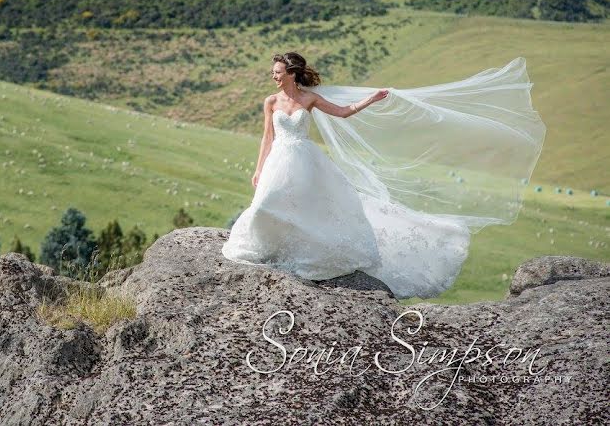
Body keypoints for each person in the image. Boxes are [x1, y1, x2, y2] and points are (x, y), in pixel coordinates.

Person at [221, 52, 546, 299]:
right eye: (272, 73)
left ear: (292, 73)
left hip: (304, 159)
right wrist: (258, 168)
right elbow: (267, 137)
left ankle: (303, 251)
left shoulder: (310, 98)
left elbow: (343, 113)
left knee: (307, 206)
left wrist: (371, 100)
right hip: (280, 158)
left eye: (278, 73)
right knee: (267, 202)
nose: (273, 77)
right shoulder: (271, 101)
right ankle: (269, 246)